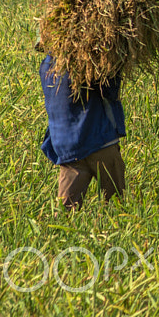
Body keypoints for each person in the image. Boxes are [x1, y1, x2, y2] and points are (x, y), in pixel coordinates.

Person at [38, 45, 127, 209]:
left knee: (65, 213)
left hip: (68, 149)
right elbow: (110, 90)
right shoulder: (88, 62)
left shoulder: (47, 67)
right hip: (100, 141)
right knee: (117, 208)